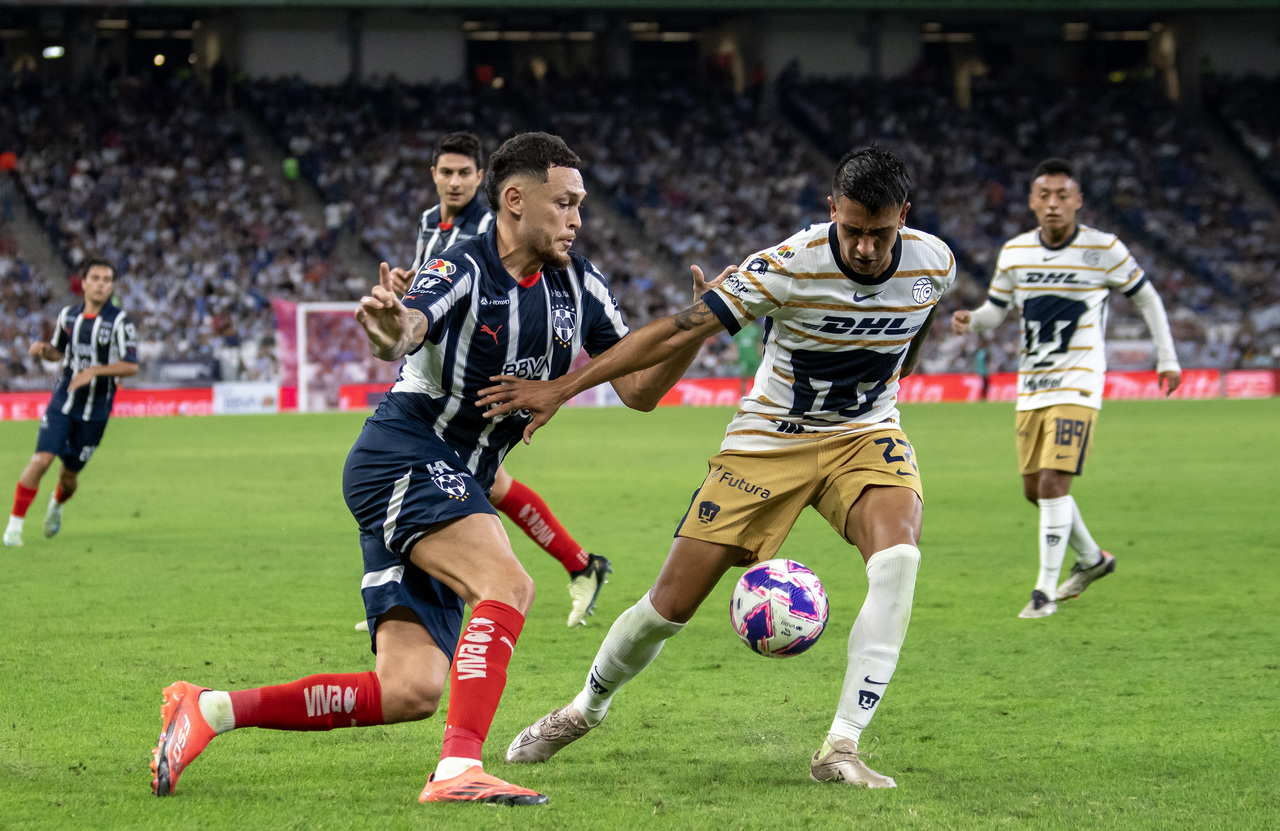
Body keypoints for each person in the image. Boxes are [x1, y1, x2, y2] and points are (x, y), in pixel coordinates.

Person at [150, 132, 719, 805]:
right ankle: (457, 769)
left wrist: (700, 329)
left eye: (580, 205)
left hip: (453, 481)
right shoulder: (464, 265)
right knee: (508, 583)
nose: (577, 218)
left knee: (410, 689)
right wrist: (387, 326)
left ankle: (208, 709)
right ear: (515, 199)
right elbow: (407, 328)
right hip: (405, 451)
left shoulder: (581, 285)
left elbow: (639, 390)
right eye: (564, 203)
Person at [480, 146, 955, 789]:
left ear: (904, 215)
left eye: (880, 233)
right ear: (831, 211)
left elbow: (917, 319)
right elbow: (677, 330)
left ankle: (841, 746)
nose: (867, 248)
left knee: (898, 560)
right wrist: (563, 388)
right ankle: (583, 709)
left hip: (865, 433)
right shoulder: (786, 267)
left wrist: (899, 372)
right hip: (767, 440)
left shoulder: (935, 263)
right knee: (667, 607)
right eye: (852, 230)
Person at [366, 130, 611, 632]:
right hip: (433, 366)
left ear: (483, 181)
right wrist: (406, 298)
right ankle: (575, 565)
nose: (454, 182)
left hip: (482, 380)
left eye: (464, 173)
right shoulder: (430, 225)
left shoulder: (499, 231)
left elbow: (478, 282)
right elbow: (431, 293)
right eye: (445, 172)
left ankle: (573, 566)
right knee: (487, 486)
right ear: (433, 175)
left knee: (485, 488)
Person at [950, 157, 1181, 619]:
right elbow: (996, 311)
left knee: (1056, 481)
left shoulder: (1105, 249)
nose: (1053, 204)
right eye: (1045, 196)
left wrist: (1168, 356)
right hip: (1032, 385)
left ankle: (1043, 592)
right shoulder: (1016, 252)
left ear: (1077, 201)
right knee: (1036, 490)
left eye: (1062, 196)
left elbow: (1147, 298)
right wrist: (973, 320)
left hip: (1079, 382)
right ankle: (1094, 560)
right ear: (1033, 202)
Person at [5, 260, 137, 547]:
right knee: (41, 459)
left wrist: (93, 371)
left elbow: (130, 366)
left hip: (97, 410)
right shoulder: (67, 316)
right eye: (96, 278)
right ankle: (14, 528)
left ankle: (57, 503)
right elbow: (58, 353)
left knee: (68, 478)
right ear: (84, 283)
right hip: (64, 401)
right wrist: (45, 351)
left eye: (107, 279)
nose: (102, 283)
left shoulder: (120, 322)